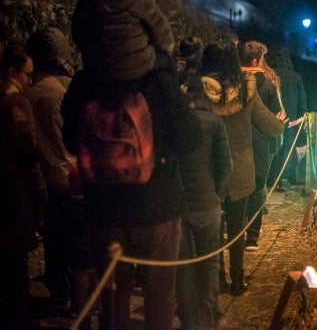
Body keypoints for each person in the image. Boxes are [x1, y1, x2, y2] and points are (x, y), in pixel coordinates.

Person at [61, 61, 203, 330]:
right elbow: (190, 139)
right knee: (160, 296)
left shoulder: (85, 81)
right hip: (157, 206)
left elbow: (69, 139)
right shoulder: (159, 81)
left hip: (104, 210)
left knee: (113, 297)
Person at [200, 42, 286, 296]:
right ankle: (238, 280)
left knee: (214, 228)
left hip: (210, 170)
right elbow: (269, 124)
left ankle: (217, 279)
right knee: (237, 227)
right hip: (239, 167)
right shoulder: (247, 89)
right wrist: (280, 125)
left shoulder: (201, 90)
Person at [25, 27, 96, 324]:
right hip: (71, 175)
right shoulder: (62, 89)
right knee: (80, 254)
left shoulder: (26, 91)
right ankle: (82, 305)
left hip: (44, 176)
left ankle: (58, 294)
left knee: (54, 242)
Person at [176, 76, 232, 330]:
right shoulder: (215, 123)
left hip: (179, 205)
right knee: (210, 261)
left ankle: (189, 319)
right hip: (208, 202)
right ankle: (207, 316)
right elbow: (225, 164)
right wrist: (217, 193)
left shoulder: (174, 122)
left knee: (184, 263)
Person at [0, 48, 46, 330]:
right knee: (15, 283)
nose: (30, 80)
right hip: (9, 207)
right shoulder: (13, 104)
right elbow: (29, 159)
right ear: (12, 72)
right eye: (27, 74)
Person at [239, 41, 284, 252]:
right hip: (260, 145)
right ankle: (252, 238)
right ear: (256, 61)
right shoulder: (267, 85)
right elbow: (277, 115)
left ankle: (235, 231)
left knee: (237, 189)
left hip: (237, 144)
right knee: (257, 189)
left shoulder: (232, 84)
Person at [267, 47, 308, 189]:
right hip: (290, 120)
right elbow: (302, 100)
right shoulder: (296, 77)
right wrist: (302, 117)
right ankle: (283, 178)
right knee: (287, 148)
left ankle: (270, 179)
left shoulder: (269, 75)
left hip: (272, 117)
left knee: (273, 147)